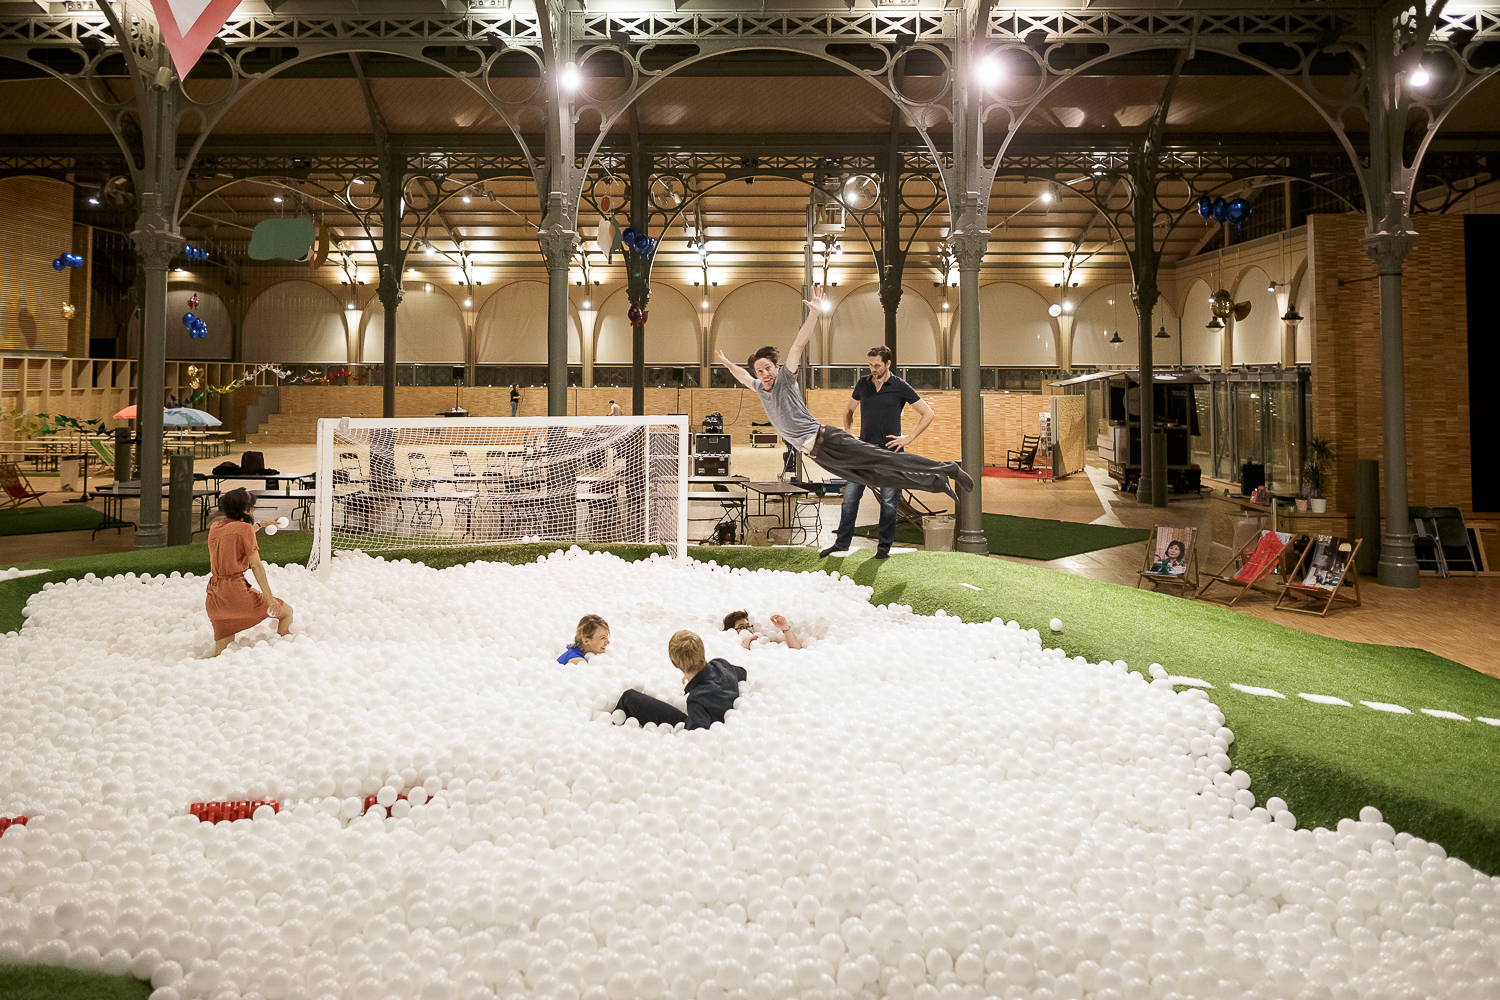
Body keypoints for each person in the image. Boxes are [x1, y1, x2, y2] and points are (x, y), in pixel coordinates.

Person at [714, 284, 971, 504]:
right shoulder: (760, 387)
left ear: (776, 368)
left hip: (827, 439)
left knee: (885, 459)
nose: (764, 374)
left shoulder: (784, 379)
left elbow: (798, 345)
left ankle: (948, 468)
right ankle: (936, 483)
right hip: (818, 454)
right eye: (760, 371)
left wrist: (814, 314)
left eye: (767, 368)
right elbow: (742, 376)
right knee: (874, 477)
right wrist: (727, 364)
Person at [822, 345, 936, 559]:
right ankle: (841, 544)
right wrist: (848, 432)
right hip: (863, 452)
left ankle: (883, 549)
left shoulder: (900, 386)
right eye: (870, 365)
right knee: (849, 499)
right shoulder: (863, 384)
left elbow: (928, 414)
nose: (873, 369)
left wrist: (908, 438)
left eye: (877, 365)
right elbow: (848, 410)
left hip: (890, 456)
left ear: (888, 364)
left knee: (889, 502)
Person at [205, 488, 293, 656]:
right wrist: (269, 598)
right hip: (237, 597)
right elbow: (257, 566)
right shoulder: (244, 528)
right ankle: (285, 656)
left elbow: (233, 535)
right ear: (246, 509)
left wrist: (260, 525)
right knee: (287, 612)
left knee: (221, 656)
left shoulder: (215, 527)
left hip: (215, 601)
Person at [614, 630, 747, 730]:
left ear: (675, 664)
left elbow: (695, 735)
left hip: (690, 723)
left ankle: (612, 724)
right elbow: (742, 673)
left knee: (629, 697)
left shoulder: (697, 700)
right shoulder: (722, 664)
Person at [722, 610, 803, 650]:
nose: (747, 630)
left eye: (748, 626)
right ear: (731, 632)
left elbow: (796, 650)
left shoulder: (762, 639)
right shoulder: (732, 647)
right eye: (742, 627)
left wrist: (785, 628)